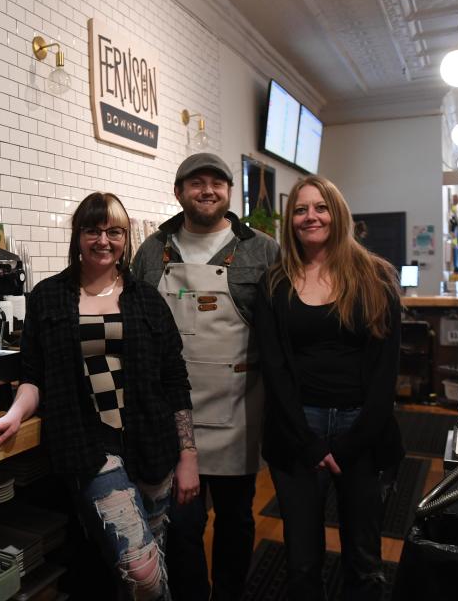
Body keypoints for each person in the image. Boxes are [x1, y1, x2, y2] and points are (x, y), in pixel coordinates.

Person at [0, 191, 199, 601]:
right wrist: (16, 413)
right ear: (78, 236)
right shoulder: (49, 297)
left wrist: (188, 457)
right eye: (93, 230)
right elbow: (34, 374)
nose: (103, 241)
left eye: (114, 232)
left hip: (154, 446)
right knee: (141, 572)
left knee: (149, 561)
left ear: (126, 239)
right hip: (91, 447)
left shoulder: (146, 299)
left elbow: (174, 381)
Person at [132, 153, 279, 601]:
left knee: (236, 520)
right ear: (179, 192)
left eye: (218, 182)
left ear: (229, 193)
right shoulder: (152, 249)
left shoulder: (262, 248)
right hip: (173, 417)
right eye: (196, 182)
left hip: (237, 411)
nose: (208, 190)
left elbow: (280, 332)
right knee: (181, 524)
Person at [254, 176, 403, 601]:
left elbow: (384, 372)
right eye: (301, 209)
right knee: (302, 561)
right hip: (297, 432)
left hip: (364, 430)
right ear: (291, 220)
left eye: (320, 207)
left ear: (337, 214)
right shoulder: (274, 283)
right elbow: (275, 368)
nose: (310, 216)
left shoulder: (376, 277)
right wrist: (309, 441)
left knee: (364, 558)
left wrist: (354, 442)